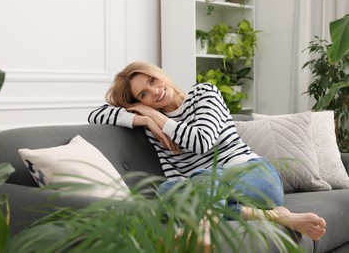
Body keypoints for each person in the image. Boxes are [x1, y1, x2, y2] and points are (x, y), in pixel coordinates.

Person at [87, 61, 326, 242]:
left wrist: (157, 117)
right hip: (211, 193)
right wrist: (146, 119)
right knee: (167, 188)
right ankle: (277, 216)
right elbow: (95, 116)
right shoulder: (147, 120)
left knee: (198, 182)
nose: (154, 92)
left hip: (254, 177)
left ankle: (198, 224)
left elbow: (201, 141)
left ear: (158, 74)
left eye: (151, 81)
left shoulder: (204, 93)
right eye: (143, 95)